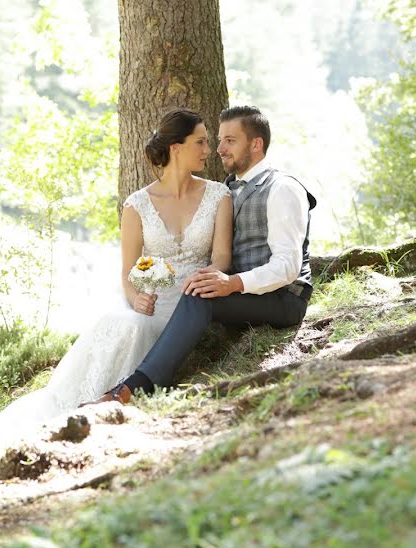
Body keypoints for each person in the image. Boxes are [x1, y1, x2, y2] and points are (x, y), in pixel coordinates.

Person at [0, 108, 233, 473]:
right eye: (201, 142)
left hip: (194, 297)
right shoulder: (138, 205)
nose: (209, 149)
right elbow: (128, 272)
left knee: (138, 328)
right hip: (150, 298)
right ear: (176, 147)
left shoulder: (218, 195)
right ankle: (82, 405)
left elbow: (222, 258)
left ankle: (116, 400)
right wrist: (135, 297)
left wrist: (209, 278)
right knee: (125, 322)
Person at [86, 105, 317, 406]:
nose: (219, 149)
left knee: (199, 295)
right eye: (217, 140)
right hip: (246, 294)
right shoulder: (227, 189)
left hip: (285, 298)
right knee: (197, 293)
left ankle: (134, 387)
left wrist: (232, 282)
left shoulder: (283, 189)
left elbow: (288, 267)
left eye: (229, 141)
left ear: (256, 144)